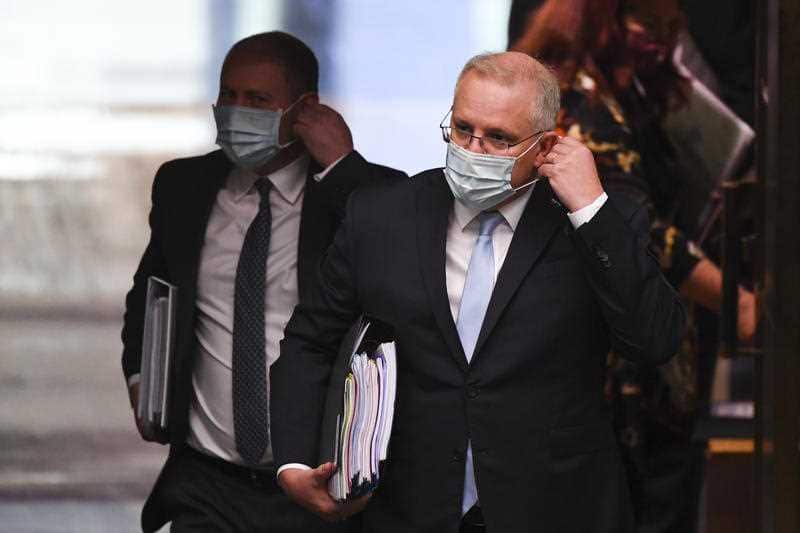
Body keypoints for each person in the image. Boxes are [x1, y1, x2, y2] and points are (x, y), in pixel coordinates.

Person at [270, 51, 685, 533]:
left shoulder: (594, 224)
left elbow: (655, 340)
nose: (474, 150)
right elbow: (311, 342)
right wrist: (295, 462)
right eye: (463, 129)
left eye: (499, 138)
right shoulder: (381, 216)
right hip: (408, 507)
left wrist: (591, 210)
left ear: (545, 145)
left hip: (556, 507)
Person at [120, 31, 406, 533]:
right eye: (228, 95)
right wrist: (143, 379)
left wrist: (341, 168)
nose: (236, 111)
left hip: (317, 480)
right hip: (206, 481)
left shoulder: (364, 195)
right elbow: (150, 292)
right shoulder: (183, 187)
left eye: (257, 100)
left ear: (305, 109)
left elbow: (397, 274)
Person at [508, 1, 756, 531]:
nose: (663, 55)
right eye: (653, 38)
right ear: (615, 31)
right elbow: (637, 230)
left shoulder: (558, 96)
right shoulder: (590, 105)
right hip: (626, 370)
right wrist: (738, 302)